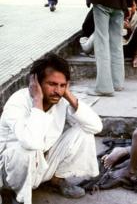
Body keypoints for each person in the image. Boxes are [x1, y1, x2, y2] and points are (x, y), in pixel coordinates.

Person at [0, 54, 103, 204]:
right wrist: (37, 101)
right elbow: (30, 142)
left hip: (39, 166)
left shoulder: (60, 101)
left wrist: (68, 95)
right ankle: (17, 195)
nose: (57, 91)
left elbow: (96, 126)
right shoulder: (18, 102)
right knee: (25, 150)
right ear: (36, 83)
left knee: (84, 131)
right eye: (52, 84)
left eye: (62, 85)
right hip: (8, 173)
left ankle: (56, 180)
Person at [86, 0, 135, 96]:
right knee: (116, 44)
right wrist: (128, 4)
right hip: (119, 2)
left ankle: (104, 87)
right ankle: (117, 83)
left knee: (101, 43)